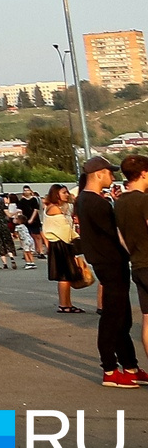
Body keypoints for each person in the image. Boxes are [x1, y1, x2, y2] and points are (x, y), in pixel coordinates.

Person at [75, 157, 140, 387]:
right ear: (99, 174)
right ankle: (110, 370)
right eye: (109, 172)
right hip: (111, 262)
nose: (112, 176)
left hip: (105, 262)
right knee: (113, 317)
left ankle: (130, 365)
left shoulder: (84, 199)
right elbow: (117, 234)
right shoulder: (96, 203)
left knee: (122, 316)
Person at [117, 155, 148, 363]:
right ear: (144, 173)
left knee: (147, 319)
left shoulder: (119, 203)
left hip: (138, 265)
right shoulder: (145, 200)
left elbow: (120, 237)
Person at [42, 184, 82, 311]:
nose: (67, 194)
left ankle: (67, 304)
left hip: (59, 243)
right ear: (56, 194)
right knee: (65, 276)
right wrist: (78, 239)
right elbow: (65, 230)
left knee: (66, 276)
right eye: (64, 192)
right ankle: (64, 305)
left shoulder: (56, 207)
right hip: (61, 243)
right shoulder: (54, 209)